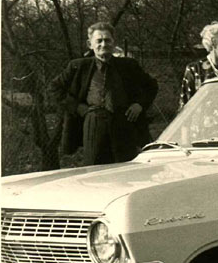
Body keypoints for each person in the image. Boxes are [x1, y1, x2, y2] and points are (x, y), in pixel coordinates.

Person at [52, 22, 158, 165]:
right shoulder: (78, 66)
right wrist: (77, 107)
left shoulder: (129, 66)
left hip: (124, 123)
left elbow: (151, 86)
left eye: (107, 40)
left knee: (126, 169)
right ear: (90, 44)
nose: (104, 44)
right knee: (95, 169)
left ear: (114, 42)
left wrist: (139, 104)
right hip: (94, 123)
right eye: (99, 41)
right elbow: (54, 88)